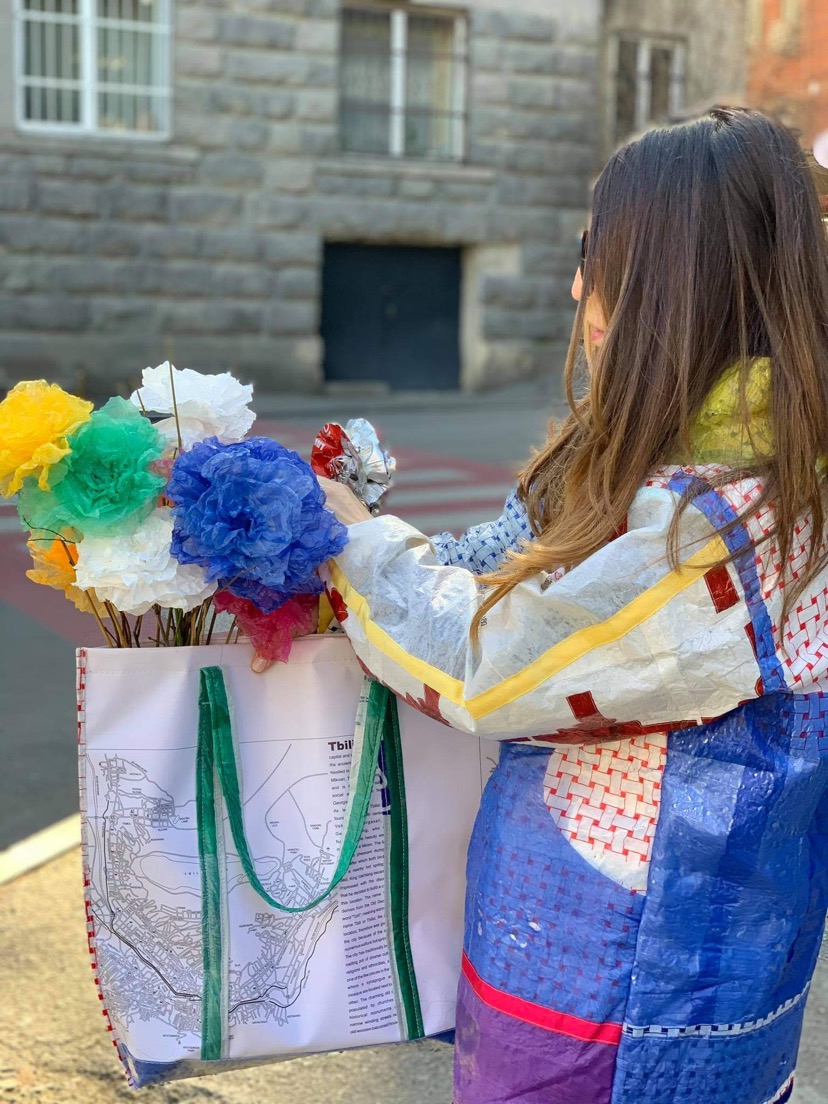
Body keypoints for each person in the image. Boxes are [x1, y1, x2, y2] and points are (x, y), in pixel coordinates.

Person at [256, 108, 828, 1104]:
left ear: (674, 282)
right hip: (626, 976)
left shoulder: (730, 522)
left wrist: (353, 545)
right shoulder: (703, 465)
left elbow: (494, 664)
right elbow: (509, 568)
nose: (577, 290)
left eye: (595, 256)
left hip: (629, 1012)